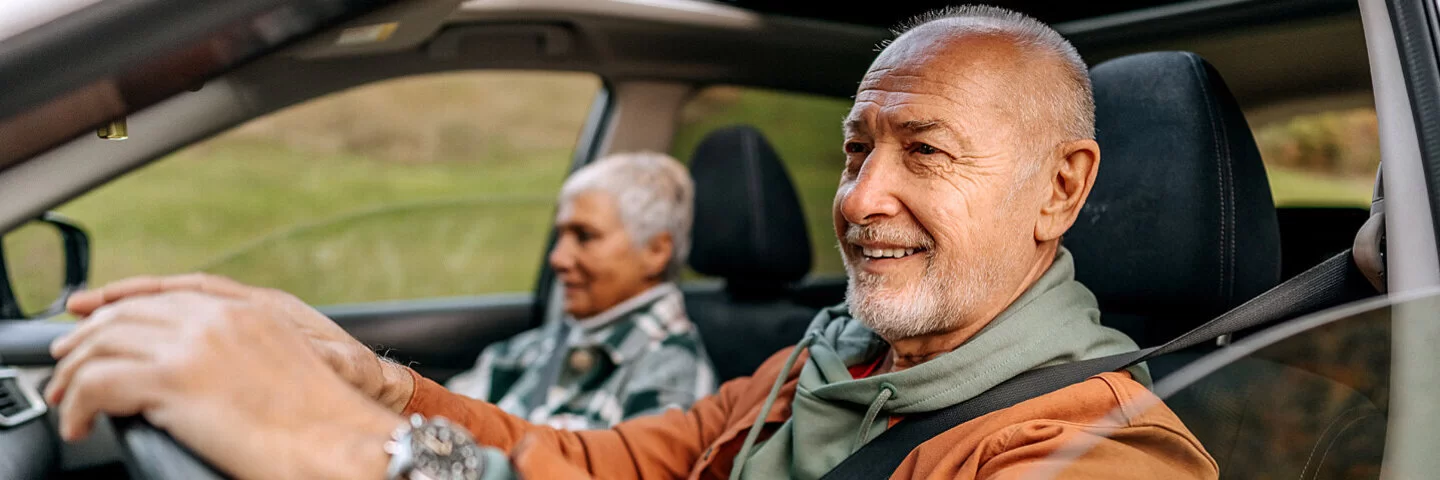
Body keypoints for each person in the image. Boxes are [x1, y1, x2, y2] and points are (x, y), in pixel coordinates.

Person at [43, 6, 1218, 479]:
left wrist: (356, 455)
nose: (861, 199)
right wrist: (370, 380)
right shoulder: (826, 366)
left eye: (925, 152)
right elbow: (595, 466)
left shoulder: (1101, 454)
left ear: (1060, 189)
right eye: (857, 151)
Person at [443, 151, 715, 430]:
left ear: (656, 251)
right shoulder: (534, 349)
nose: (558, 258)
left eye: (585, 236)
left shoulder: (671, 378)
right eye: (559, 236)